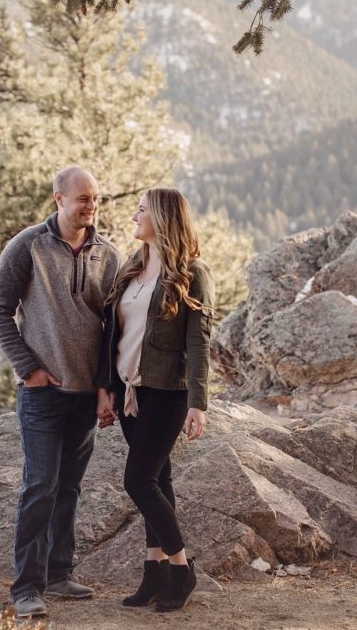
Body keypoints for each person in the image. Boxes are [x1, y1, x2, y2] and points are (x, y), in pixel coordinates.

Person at [0, 165, 121, 619]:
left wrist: (104, 388)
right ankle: (27, 587)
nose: (91, 206)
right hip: (42, 394)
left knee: (68, 487)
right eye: (83, 198)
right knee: (40, 485)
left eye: (96, 198)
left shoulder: (108, 255)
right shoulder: (28, 246)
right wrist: (29, 370)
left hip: (85, 396)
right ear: (58, 198)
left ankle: (59, 574)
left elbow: (112, 330)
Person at [95, 187, 215, 612]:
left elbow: (199, 342)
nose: (134, 217)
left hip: (167, 391)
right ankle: (155, 571)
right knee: (159, 479)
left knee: (139, 480)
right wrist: (107, 387)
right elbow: (113, 334)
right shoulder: (132, 267)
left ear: (162, 218)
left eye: (141, 210)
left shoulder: (192, 273)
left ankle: (181, 569)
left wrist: (198, 402)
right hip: (131, 390)